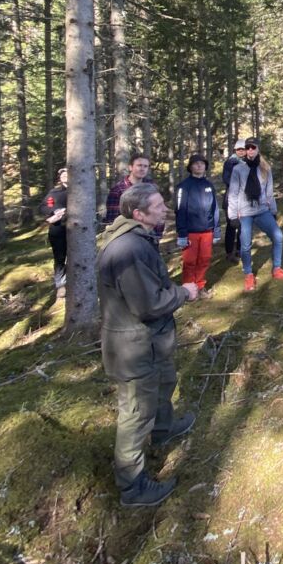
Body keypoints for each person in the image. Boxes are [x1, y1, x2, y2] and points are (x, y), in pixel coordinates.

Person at [96, 183, 200, 506]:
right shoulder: (128, 249)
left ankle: (164, 428)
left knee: (164, 382)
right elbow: (148, 304)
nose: (163, 209)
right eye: (156, 206)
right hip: (134, 348)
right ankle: (132, 487)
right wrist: (184, 293)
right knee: (136, 414)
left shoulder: (139, 240)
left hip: (150, 343)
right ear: (138, 214)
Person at [227, 138, 283, 292]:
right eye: (247, 148)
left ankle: (277, 268)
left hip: (262, 211)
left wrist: (273, 211)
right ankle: (248, 273)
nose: (250, 150)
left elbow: (269, 193)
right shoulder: (238, 169)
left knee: (278, 237)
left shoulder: (265, 168)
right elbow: (233, 193)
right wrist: (232, 215)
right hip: (245, 212)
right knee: (246, 244)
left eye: (253, 147)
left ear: (257, 149)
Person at [174, 154, 219, 297]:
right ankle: (188, 290)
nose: (199, 166)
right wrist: (182, 234)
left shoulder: (209, 186)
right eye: (196, 163)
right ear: (191, 167)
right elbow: (180, 211)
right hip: (190, 232)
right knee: (190, 262)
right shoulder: (183, 187)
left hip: (207, 231)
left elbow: (215, 209)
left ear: (205, 167)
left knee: (204, 260)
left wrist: (216, 230)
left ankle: (200, 287)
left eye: (202, 163)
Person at [107, 153, 164, 241]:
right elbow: (112, 220)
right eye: (139, 165)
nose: (142, 169)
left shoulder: (152, 187)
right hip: (127, 239)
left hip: (151, 237)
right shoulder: (118, 190)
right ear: (130, 167)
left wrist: (157, 236)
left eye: (145, 166)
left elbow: (159, 212)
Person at [43, 167, 69, 290]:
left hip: (76, 230)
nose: (64, 176)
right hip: (58, 230)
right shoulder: (54, 193)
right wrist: (55, 211)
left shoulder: (81, 191)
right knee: (60, 258)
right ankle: (60, 285)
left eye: (67, 174)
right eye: (62, 175)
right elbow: (44, 206)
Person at [221, 140, 247, 262]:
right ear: (235, 150)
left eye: (243, 149)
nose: (241, 151)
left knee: (243, 226)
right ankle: (229, 252)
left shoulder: (248, 162)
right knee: (231, 225)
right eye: (239, 149)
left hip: (245, 199)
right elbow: (226, 178)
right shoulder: (230, 162)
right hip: (231, 197)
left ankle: (240, 250)